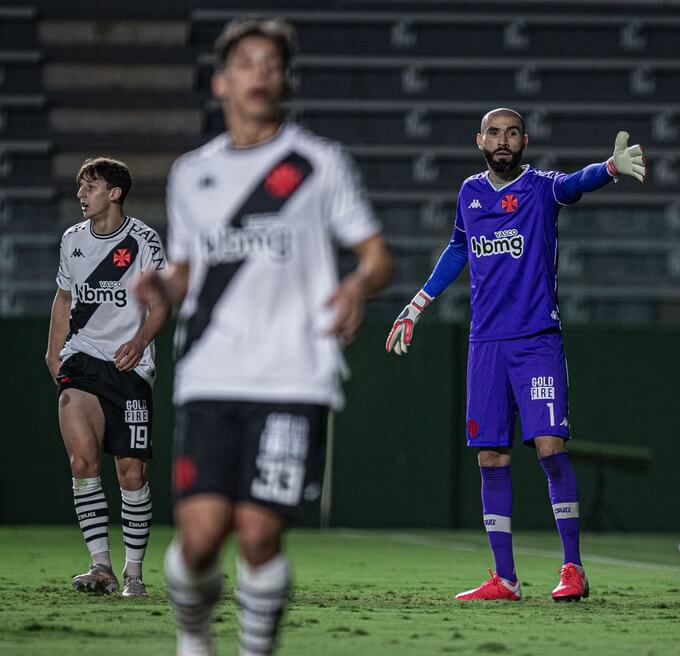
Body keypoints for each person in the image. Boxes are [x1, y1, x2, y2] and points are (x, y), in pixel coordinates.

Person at [132, 17, 392, 656]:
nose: (259, 74)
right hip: (212, 372)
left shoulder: (319, 164)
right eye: (246, 63)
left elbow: (377, 257)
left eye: (271, 65)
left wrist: (356, 287)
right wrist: (163, 285)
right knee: (199, 539)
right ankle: (195, 636)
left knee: (257, 535)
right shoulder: (191, 173)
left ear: (285, 81)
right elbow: (188, 270)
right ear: (221, 82)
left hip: (294, 375)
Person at [385, 108, 645, 602]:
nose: (502, 140)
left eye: (511, 133)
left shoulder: (540, 188)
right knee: (491, 455)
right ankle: (505, 579)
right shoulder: (470, 193)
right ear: (479, 141)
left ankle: (573, 568)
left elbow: (575, 183)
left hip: (536, 341)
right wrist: (416, 305)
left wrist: (610, 169)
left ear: (524, 141)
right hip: (486, 345)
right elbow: (458, 248)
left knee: (550, 448)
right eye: (494, 133)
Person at [44, 157, 170, 597]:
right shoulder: (72, 239)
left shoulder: (144, 241)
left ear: (114, 193)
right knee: (82, 462)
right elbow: (64, 298)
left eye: (90, 186)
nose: (81, 194)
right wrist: (54, 350)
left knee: (131, 473)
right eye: (81, 186)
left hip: (128, 368)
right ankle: (101, 567)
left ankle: (134, 573)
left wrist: (140, 341)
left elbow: (161, 304)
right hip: (82, 361)